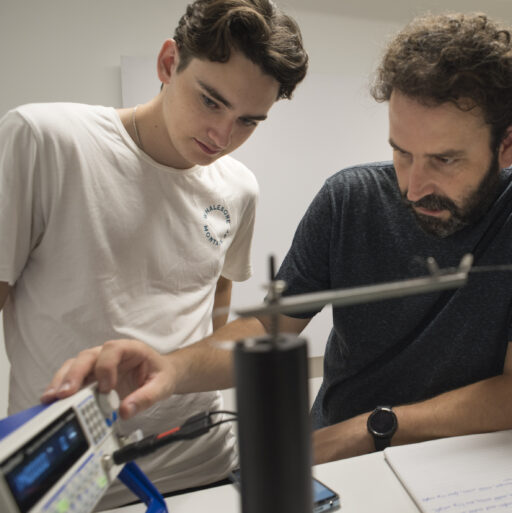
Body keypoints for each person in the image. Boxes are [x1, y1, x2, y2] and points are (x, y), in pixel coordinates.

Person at [45, 12, 512, 465]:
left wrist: (370, 429)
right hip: (343, 462)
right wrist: (172, 367)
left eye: (445, 160)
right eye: (401, 152)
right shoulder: (350, 197)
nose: (413, 185)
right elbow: (269, 326)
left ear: (508, 143)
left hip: (475, 455)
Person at [0, 0, 307, 506]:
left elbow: (217, 297)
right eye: (211, 101)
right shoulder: (47, 141)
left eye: (249, 121)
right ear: (169, 64)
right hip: (71, 477)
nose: (222, 136)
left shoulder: (238, 188)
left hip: (203, 461)